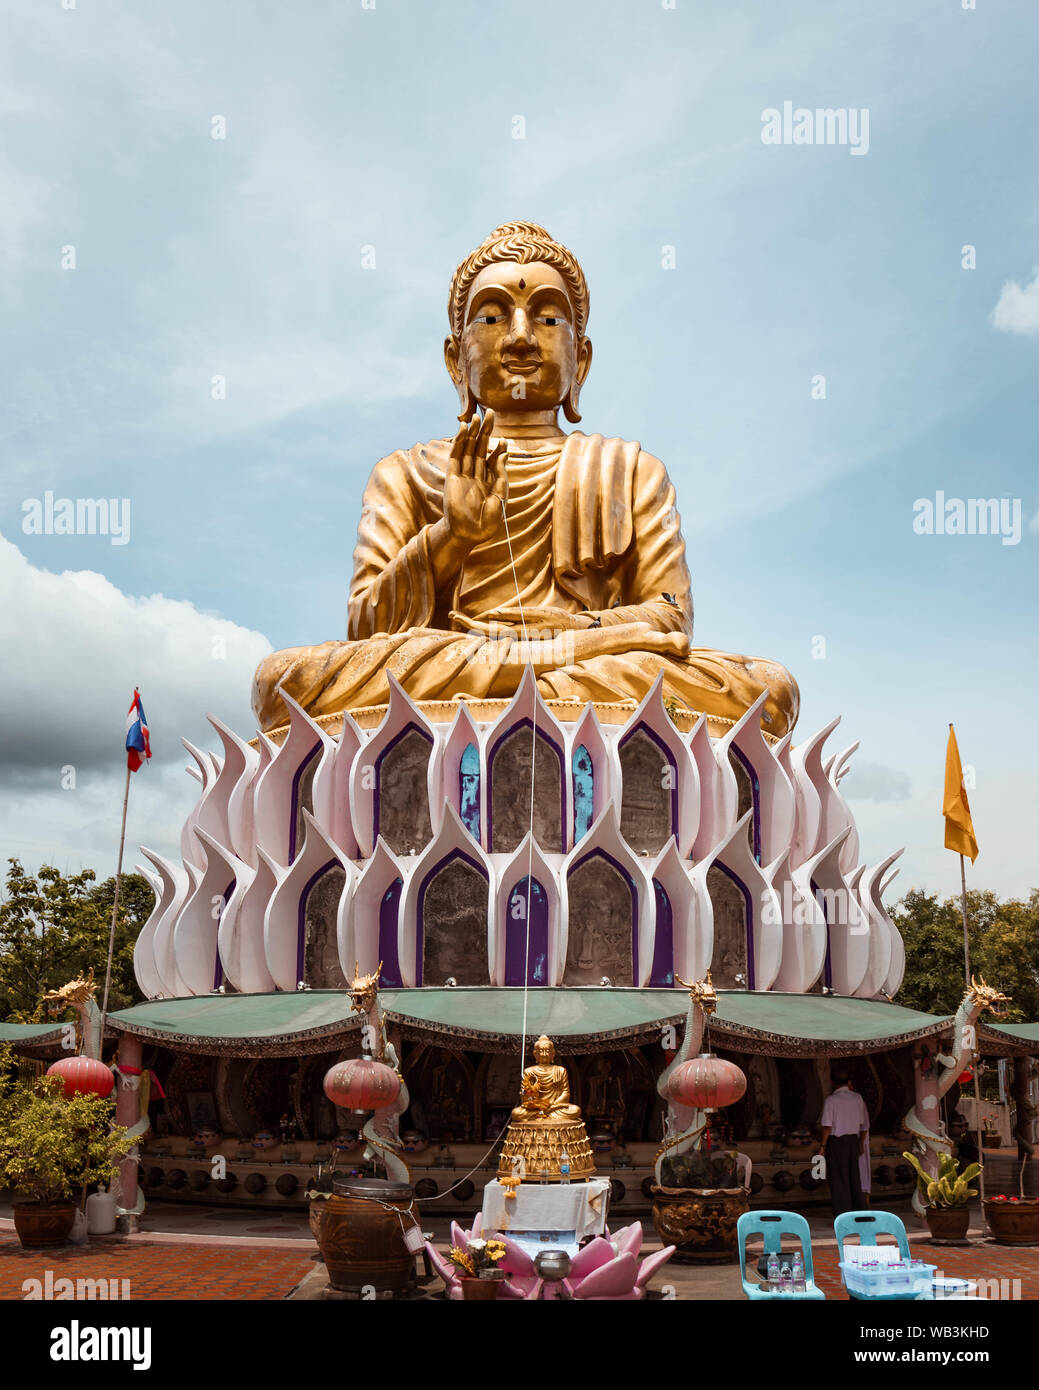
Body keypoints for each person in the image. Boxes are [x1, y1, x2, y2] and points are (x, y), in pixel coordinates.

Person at [816, 1066, 870, 1216]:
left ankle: (843, 1213)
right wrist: (860, 1143)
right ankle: (860, 1212)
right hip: (853, 1140)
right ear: (848, 1081)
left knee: (839, 1178)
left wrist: (822, 1146)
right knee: (854, 1176)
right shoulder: (857, 1098)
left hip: (837, 1142)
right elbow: (864, 1124)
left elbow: (827, 1126)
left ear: (832, 1082)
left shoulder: (831, 1100)